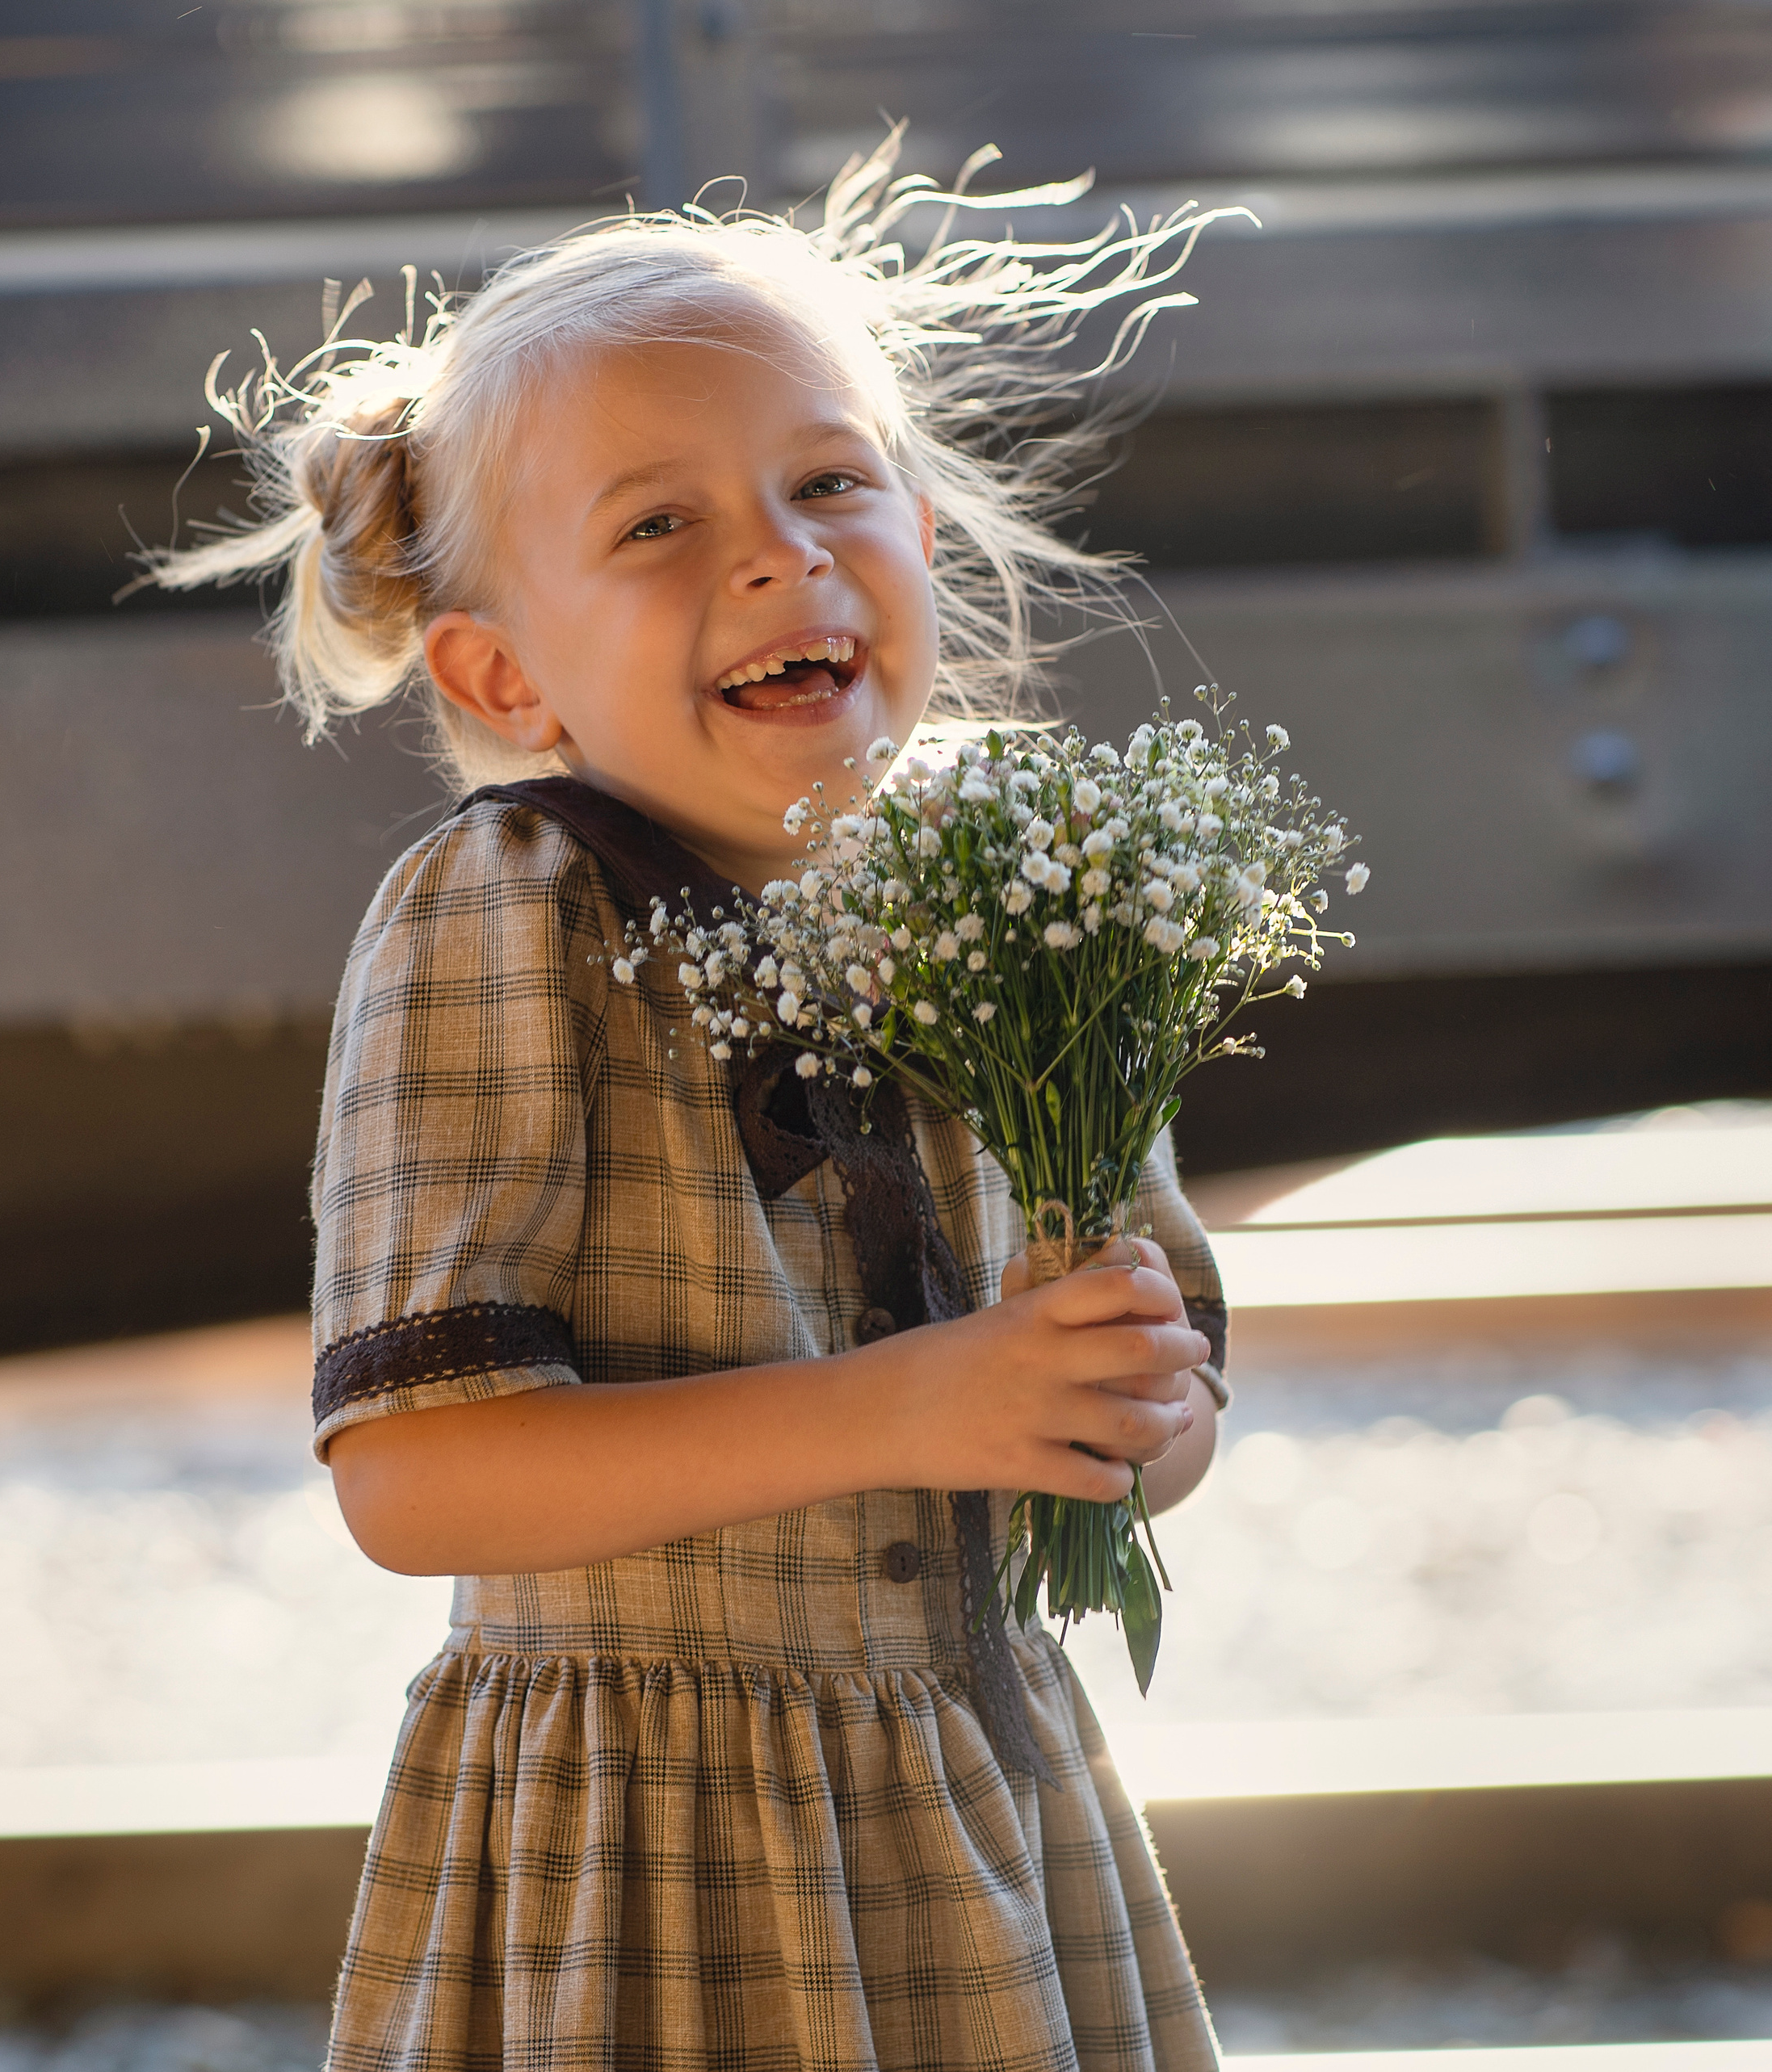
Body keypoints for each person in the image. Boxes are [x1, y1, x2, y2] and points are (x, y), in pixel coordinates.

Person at [149, 136, 1237, 2072]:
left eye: (829, 483)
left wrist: (1129, 1413)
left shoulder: (1023, 883)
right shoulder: (510, 910)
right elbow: (415, 1476)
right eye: (656, 527)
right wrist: (919, 1403)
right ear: (502, 667)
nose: (775, 550)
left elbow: (1156, 1411)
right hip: (657, 1864)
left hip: (977, 1808)